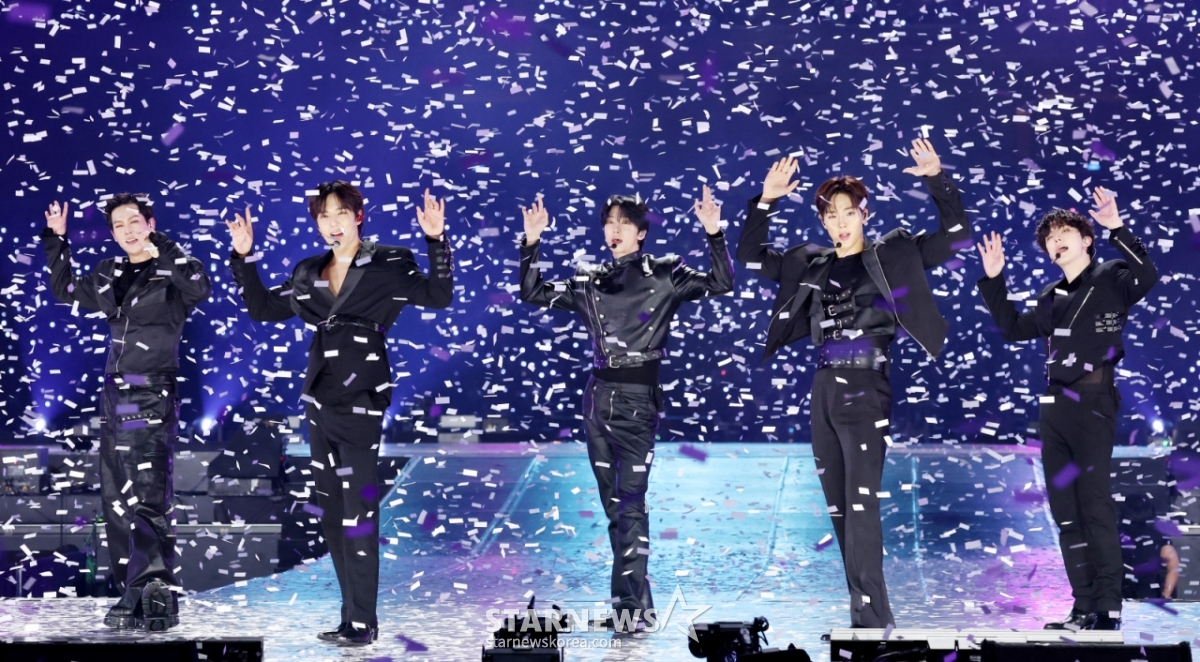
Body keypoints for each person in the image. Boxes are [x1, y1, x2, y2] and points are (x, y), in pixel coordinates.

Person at [737, 139, 971, 628]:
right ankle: (867, 614)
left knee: (861, 506)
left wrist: (936, 179)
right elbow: (751, 256)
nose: (841, 222)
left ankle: (872, 621)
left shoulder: (895, 253)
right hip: (823, 388)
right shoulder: (810, 262)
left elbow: (956, 236)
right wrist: (766, 200)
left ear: (865, 214)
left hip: (867, 388)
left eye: (849, 212)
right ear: (823, 221)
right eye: (832, 215)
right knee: (841, 510)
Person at [225, 181, 452, 646]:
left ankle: (364, 621)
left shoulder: (389, 261)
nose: (332, 223)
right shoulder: (308, 270)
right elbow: (263, 308)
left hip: (362, 395)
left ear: (358, 215)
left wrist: (436, 241)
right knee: (331, 514)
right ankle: (351, 616)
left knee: (358, 512)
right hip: (318, 396)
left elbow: (437, 295)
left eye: (340, 213)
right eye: (323, 216)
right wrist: (244, 258)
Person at [518, 187, 734, 632]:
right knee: (616, 507)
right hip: (597, 397)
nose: (614, 230)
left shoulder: (665, 272)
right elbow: (532, 291)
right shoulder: (588, 279)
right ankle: (635, 606)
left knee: (630, 504)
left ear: (641, 232)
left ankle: (631, 610)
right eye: (609, 223)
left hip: (636, 401)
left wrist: (714, 233)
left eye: (624, 223)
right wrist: (532, 242)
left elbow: (721, 282)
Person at [976, 187, 1157, 631]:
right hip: (1054, 408)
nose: (1056, 241)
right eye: (1050, 238)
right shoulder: (1050, 295)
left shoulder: (1111, 275)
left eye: (1064, 233)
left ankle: (1108, 607)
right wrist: (995, 280)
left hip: (1094, 403)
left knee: (1094, 505)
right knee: (1066, 512)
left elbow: (1147, 275)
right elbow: (1013, 328)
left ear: (1086, 240)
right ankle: (1083, 605)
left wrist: (1117, 227)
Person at [42, 194, 211, 631]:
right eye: (119, 225)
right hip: (116, 392)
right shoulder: (108, 272)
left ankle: (156, 590)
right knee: (117, 495)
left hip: (151, 389)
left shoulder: (172, 270)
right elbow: (65, 291)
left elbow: (200, 287)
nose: (128, 231)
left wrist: (163, 247)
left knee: (148, 490)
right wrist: (57, 240)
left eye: (135, 221)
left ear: (151, 223)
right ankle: (133, 590)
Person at [1117, 494, 1179, 601]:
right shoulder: (1158, 533)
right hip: (1149, 592)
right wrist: (1165, 596)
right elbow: (1173, 566)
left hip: (1124, 591)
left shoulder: (1118, 533)